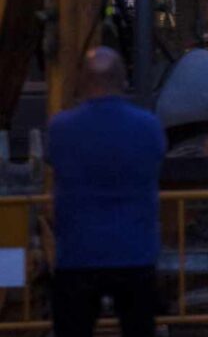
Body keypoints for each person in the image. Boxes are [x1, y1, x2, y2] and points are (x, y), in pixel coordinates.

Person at [47, 47, 167, 337]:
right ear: (123, 80)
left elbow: (53, 164)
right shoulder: (148, 126)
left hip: (78, 255)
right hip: (135, 253)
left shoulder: (61, 128)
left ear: (83, 82)